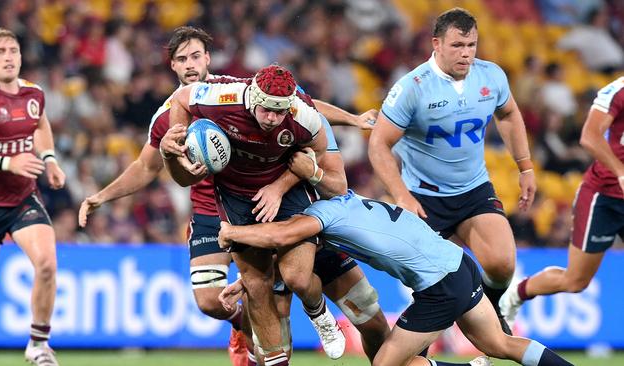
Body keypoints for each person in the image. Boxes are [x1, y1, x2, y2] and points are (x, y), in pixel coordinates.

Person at [77, 26, 384, 365]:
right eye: (182, 59)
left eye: (196, 56)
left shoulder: (237, 91)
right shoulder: (168, 116)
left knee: (282, 297)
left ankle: (283, 331)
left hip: (283, 197)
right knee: (215, 301)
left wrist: (352, 119)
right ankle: (244, 328)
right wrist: (102, 196)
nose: (191, 64)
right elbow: (146, 167)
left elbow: (302, 106)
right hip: (216, 210)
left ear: (207, 58)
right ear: (173, 67)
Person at [217, 191, 573, 366]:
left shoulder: (320, 214)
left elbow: (281, 236)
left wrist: (233, 231)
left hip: (440, 286)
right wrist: (248, 278)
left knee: (387, 365)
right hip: (461, 265)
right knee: (500, 345)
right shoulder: (351, 201)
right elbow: (292, 250)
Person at [160, 64, 354, 365]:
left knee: (298, 278)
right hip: (237, 197)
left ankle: (319, 313)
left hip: (287, 191)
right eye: (266, 110)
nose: (273, 119)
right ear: (253, 97)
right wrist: (179, 136)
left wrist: (278, 188)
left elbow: (317, 156)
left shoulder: (304, 116)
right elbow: (183, 97)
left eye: (279, 112)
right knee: (256, 285)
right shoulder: (223, 99)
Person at [367, 7, 536, 335]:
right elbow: (378, 145)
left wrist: (525, 166)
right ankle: (420, 346)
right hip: (424, 198)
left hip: (473, 190)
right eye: (458, 45)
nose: (466, 53)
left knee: (502, 265)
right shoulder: (413, 87)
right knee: (433, 288)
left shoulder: (491, 76)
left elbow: (510, 114)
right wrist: (401, 194)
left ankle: (493, 307)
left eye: (472, 45)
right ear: (437, 44)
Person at [0, 28, 66, 366]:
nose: (8, 56)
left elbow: (40, 127)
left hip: (23, 198)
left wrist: (50, 160)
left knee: (46, 265)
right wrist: (7, 162)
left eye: (13, 50)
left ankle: (39, 345)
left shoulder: (34, 93)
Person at [500, 77, 624, 325]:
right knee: (575, 281)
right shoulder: (618, 91)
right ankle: (518, 292)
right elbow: (589, 137)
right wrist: (620, 172)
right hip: (604, 196)